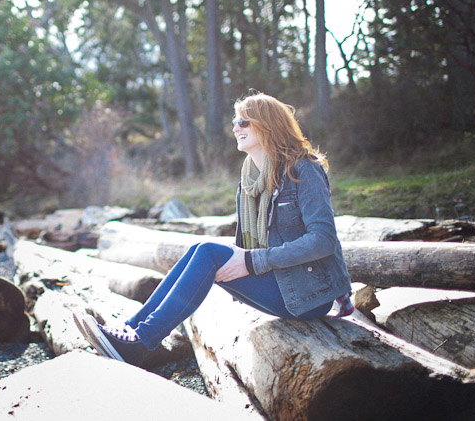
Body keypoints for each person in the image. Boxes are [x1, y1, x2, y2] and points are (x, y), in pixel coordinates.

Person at [74, 92, 353, 366]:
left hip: (308, 293)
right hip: (277, 280)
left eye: (244, 121)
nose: (235, 128)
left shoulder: (304, 170)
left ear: (267, 124)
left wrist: (252, 261)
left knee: (208, 252)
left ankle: (141, 341)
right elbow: (248, 245)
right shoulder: (249, 179)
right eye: (235, 121)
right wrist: (243, 256)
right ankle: (131, 330)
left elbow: (323, 240)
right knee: (200, 248)